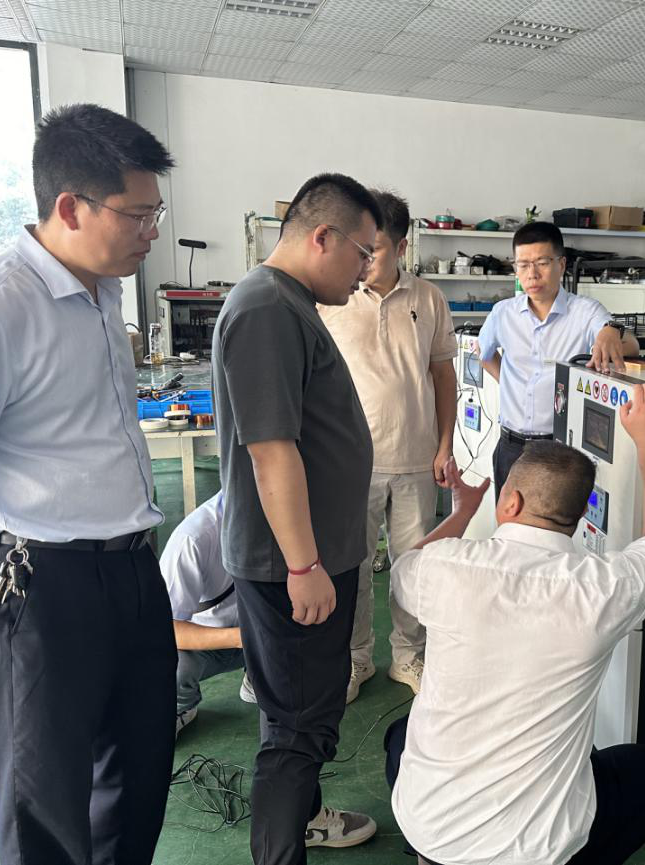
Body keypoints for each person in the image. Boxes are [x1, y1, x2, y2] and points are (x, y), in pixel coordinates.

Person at [0, 104, 177, 865]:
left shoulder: (104, 291)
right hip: (40, 584)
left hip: (130, 566)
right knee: (44, 800)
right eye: (138, 214)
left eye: (155, 212)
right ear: (70, 207)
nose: (152, 230)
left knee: (138, 774)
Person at [384, 382, 645, 865]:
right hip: (535, 851)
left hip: (430, 829)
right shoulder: (603, 589)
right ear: (581, 514)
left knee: (401, 736)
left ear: (510, 503)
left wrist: (463, 511)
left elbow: (405, 568)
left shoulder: (443, 568)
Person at [211, 172, 382, 863]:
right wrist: (305, 564)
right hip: (293, 565)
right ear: (323, 236)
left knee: (298, 709)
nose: (366, 272)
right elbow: (271, 451)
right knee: (298, 727)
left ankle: (305, 816)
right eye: (363, 253)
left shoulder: (289, 303)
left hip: (311, 557)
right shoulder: (266, 310)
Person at [319, 189, 457, 702]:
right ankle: (356, 658)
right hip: (351, 463)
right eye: (357, 247)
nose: (361, 259)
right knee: (352, 567)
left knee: (414, 565)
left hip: (417, 456)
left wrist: (445, 445)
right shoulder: (333, 298)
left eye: (372, 250)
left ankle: (408, 655)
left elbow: (443, 377)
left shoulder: (429, 298)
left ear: (401, 247)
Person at [476, 221, 640, 498]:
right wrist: (510, 383)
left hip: (559, 450)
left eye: (542, 263)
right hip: (510, 446)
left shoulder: (585, 312)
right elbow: (485, 355)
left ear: (561, 264)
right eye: (523, 265)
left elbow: (631, 345)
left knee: (555, 523)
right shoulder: (502, 313)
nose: (532, 274)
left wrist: (612, 331)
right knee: (508, 523)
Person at [160, 492, 257, 737]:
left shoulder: (287, 518)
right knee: (172, 665)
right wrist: (243, 638)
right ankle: (182, 706)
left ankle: (258, 679)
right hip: (206, 643)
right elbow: (165, 629)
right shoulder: (193, 538)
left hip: (258, 632)